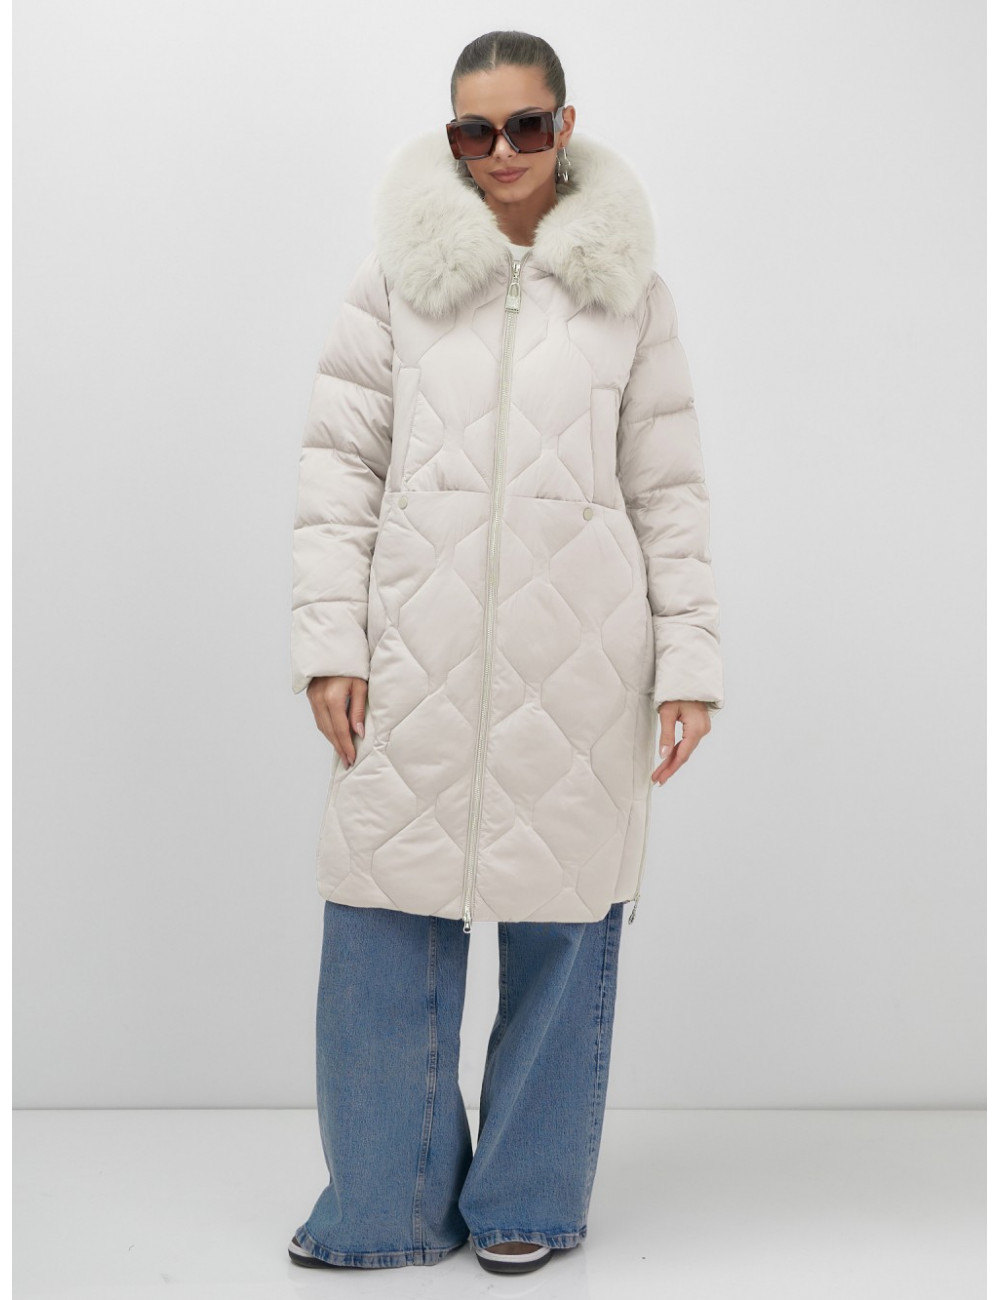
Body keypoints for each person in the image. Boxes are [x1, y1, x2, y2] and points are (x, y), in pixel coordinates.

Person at [286, 30, 725, 1275]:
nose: (501, 153)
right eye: (473, 132)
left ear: (563, 125)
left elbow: (668, 487)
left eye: (525, 126)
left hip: (582, 660)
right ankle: (385, 1204)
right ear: (451, 137)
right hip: (410, 653)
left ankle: (527, 1197)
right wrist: (328, 642)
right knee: (382, 919)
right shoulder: (393, 280)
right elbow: (338, 469)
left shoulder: (629, 293)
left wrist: (689, 663)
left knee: (564, 924)